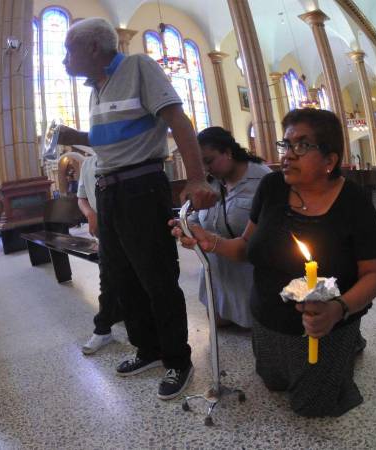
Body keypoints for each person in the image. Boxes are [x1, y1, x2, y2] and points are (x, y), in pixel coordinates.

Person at [172, 109, 376, 417]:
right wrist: (211, 242)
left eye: (302, 145)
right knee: (272, 383)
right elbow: (246, 247)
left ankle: (349, 341)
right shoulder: (272, 188)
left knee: (312, 407)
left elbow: (374, 274)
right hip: (266, 319)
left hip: (323, 325)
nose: (287, 155)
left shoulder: (353, 203)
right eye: (286, 145)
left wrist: (338, 309)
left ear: (330, 160)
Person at [58, 17, 216, 400]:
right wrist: (76, 136)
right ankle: (149, 349)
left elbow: (178, 120)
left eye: (69, 50)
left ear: (93, 48)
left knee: (156, 277)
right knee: (120, 277)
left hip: (141, 188)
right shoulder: (95, 87)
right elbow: (108, 139)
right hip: (108, 191)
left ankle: (178, 358)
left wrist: (196, 178)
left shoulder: (138, 67)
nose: (65, 59)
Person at [189, 127, 271, 328]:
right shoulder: (209, 183)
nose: (206, 169)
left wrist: (211, 240)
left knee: (258, 324)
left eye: (209, 161)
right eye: (202, 165)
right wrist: (188, 228)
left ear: (228, 152)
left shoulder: (263, 180)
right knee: (219, 323)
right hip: (218, 274)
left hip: (250, 272)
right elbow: (194, 218)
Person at [77, 154, 123, 354]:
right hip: (104, 229)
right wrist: (90, 214)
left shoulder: (124, 153)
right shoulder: (87, 163)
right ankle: (103, 329)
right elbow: (81, 197)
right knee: (108, 278)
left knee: (135, 277)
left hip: (128, 222)